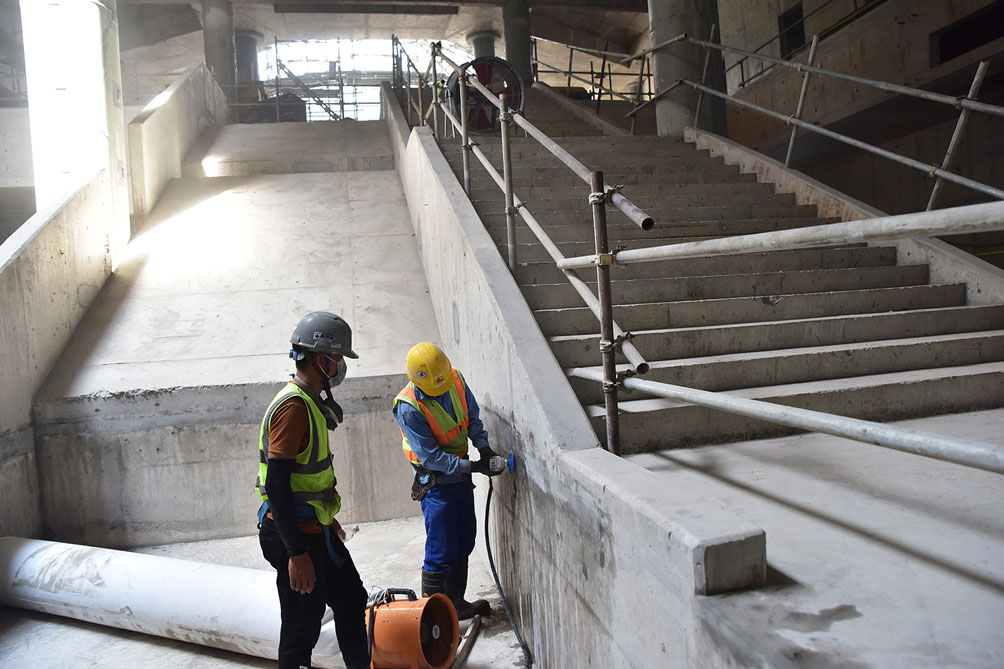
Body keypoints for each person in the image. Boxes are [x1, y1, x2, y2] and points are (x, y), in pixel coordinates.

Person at [256, 311, 370, 669]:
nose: (340, 367)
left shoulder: (310, 403)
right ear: (322, 359)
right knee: (301, 629)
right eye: (338, 359)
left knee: (352, 599)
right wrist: (297, 554)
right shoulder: (293, 408)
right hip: (294, 536)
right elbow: (277, 485)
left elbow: (307, 480)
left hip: (314, 528)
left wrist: (327, 520)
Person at [392, 342, 506, 620]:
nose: (442, 393)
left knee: (464, 541)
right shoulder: (408, 407)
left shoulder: (453, 379)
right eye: (435, 391)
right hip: (437, 486)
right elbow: (432, 458)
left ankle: (456, 603)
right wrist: (474, 466)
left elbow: (472, 419)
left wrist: (484, 447)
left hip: (461, 480)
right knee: (440, 550)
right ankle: (431, 619)